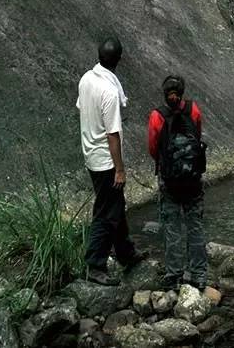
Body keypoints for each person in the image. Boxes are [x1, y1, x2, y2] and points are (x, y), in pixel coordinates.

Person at [76, 34, 143, 285]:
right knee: (106, 212)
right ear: (119, 60)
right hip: (106, 160)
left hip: (91, 153)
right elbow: (112, 134)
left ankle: (126, 252)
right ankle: (95, 264)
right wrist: (120, 169)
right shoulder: (110, 92)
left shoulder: (87, 79)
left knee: (115, 205)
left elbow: (82, 108)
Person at [147, 74, 208, 290]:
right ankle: (199, 275)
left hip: (170, 181)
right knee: (195, 226)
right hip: (192, 179)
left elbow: (154, 148)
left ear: (165, 95)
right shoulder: (193, 109)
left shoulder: (157, 116)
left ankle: (174, 275)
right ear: (182, 93)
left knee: (172, 226)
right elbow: (197, 136)